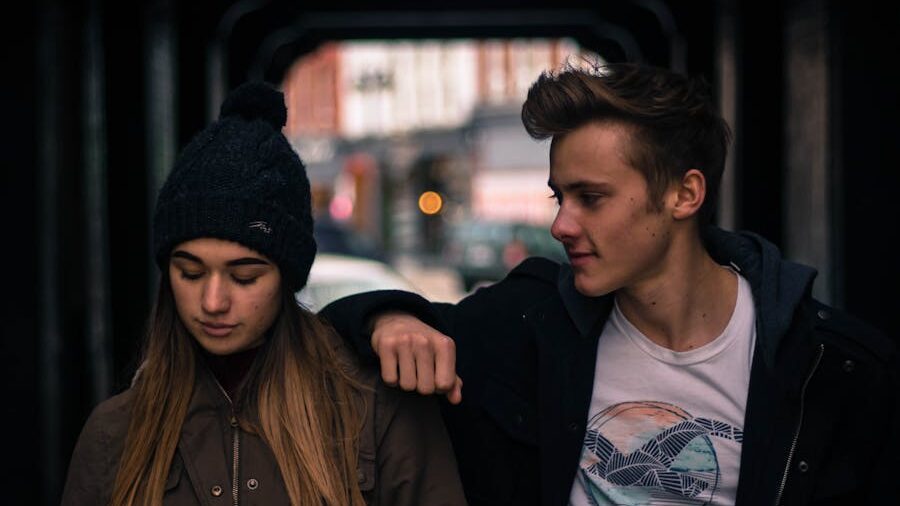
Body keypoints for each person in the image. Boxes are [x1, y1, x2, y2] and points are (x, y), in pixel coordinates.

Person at [320, 62, 899, 505]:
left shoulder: (831, 367)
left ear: (684, 194)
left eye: (590, 198)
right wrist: (389, 319)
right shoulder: (527, 323)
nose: (560, 225)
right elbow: (324, 332)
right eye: (559, 197)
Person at [60, 82, 466, 506]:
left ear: (286, 278)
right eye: (190, 272)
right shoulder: (114, 432)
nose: (213, 302)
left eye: (245, 277)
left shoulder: (375, 411)